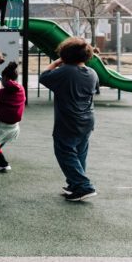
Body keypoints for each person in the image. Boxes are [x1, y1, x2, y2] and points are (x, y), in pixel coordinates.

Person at [39, 37, 99, 202]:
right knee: (79, 153)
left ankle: (83, 185)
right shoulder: (92, 73)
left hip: (68, 120)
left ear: (65, 56)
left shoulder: (66, 71)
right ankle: (75, 185)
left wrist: (57, 62)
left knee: (65, 153)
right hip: (87, 120)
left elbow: (43, 76)